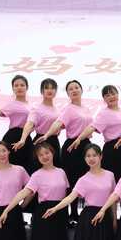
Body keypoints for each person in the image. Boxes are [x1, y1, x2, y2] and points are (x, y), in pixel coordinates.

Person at [42, 143, 115, 240]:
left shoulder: (110, 175)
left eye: (94, 155)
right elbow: (70, 197)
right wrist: (55, 208)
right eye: (88, 156)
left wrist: (114, 219)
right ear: (85, 159)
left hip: (105, 219)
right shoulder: (83, 179)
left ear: (101, 156)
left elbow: (113, 199)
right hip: (88, 219)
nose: (91, 158)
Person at [36, 80, 93, 225]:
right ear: (67, 94)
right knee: (72, 181)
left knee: (86, 179)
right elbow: (58, 123)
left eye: (76, 87)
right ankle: (72, 214)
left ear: (81, 90)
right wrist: (47, 134)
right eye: (70, 89)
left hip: (86, 146)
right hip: (72, 147)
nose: (74, 90)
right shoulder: (68, 109)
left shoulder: (86, 109)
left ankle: (84, 213)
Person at [69, 85, 121, 181]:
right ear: (104, 99)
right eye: (107, 95)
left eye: (113, 94)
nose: (111, 97)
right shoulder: (104, 113)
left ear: (117, 95)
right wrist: (79, 138)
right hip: (113, 149)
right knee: (114, 179)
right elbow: (92, 127)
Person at [15, 78, 61, 170]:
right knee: (37, 169)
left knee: (55, 169)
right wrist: (23, 139)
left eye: (52, 88)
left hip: (54, 141)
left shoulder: (58, 110)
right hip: (41, 141)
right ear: (42, 91)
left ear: (56, 91)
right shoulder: (37, 108)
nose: (49, 90)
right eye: (46, 88)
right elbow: (29, 123)